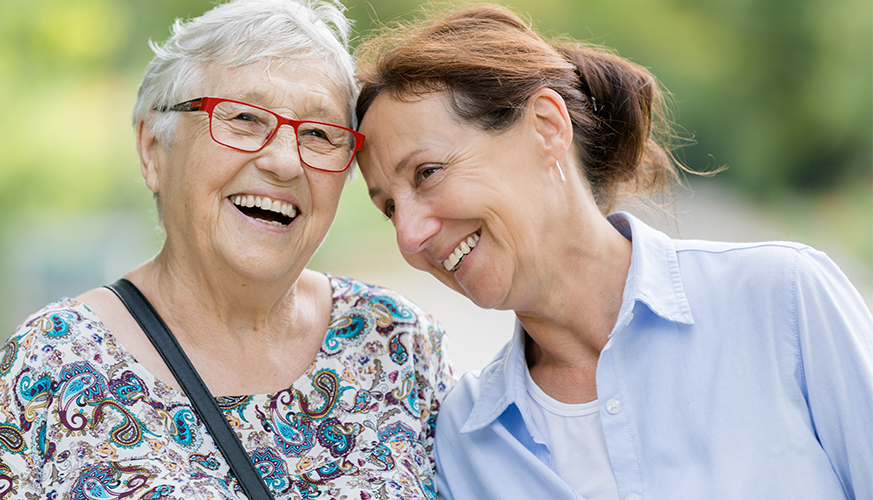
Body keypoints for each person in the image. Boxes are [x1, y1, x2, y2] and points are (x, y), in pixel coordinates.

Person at [352, 3, 873, 500]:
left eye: (428, 173)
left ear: (547, 128)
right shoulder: (464, 441)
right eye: (389, 209)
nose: (409, 236)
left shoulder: (781, 299)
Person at [0, 1, 456, 498]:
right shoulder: (46, 366)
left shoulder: (397, 344)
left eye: (319, 133)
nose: (284, 161)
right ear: (152, 150)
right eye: (244, 120)